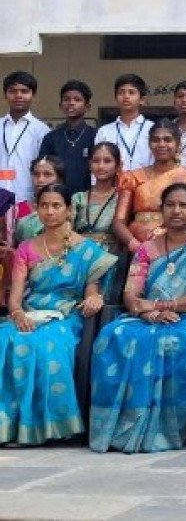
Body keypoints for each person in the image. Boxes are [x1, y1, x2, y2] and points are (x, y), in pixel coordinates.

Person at [89, 183, 186, 453]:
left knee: (171, 342)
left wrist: (166, 305)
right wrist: (148, 312)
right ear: (161, 209)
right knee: (112, 335)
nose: (176, 211)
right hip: (146, 317)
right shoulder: (146, 249)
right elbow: (131, 293)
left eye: (184, 205)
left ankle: (162, 431)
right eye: (170, 205)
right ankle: (118, 430)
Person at [0, 183, 116, 445]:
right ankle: (9, 426)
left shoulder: (87, 249)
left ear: (69, 209)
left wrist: (94, 297)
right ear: (37, 209)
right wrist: (18, 315)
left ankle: (46, 427)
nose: (50, 212)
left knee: (43, 344)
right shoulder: (26, 248)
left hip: (66, 315)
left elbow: (91, 290)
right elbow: (15, 298)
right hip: (30, 313)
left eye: (56, 206)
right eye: (44, 206)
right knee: (5, 338)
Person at [112, 120, 186, 254]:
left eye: (167, 140)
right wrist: (137, 248)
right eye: (156, 140)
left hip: (180, 250)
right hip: (136, 250)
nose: (161, 144)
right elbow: (119, 221)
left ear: (178, 144)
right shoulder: (133, 177)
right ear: (149, 144)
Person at [37, 80, 97, 195]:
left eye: (77, 99)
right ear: (60, 106)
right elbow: (43, 170)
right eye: (66, 99)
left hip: (89, 197)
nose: (71, 103)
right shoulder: (51, 138)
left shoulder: (96, 136)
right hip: (58, 198)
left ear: (87, 107)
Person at [0, 71, 50, 205]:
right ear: (5, 95)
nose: (18, 95)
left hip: (27, 200)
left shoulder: (42, 131)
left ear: (33, 95)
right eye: (13, 91)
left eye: (24, 91)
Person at [94, 73, 154, 172]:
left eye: (131, 92)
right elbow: (97, 163)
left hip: (147, 181)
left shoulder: (152, 129)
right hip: (114, 181)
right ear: (116, 99)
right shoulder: (104, 131)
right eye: (121, 93)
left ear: (142, 100)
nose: (126, 96)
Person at [71, 142, 121, 256]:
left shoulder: (122, 198)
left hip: (112, 257)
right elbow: (68, 231)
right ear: (90, 165)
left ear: (118, 165)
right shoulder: (78, 198)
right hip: (79, 256)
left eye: (107, 161)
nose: (101, 166)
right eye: (96, 161)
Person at [14, 155, 65, 244]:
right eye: (36, 174)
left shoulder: (68, 208)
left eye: (47, 174)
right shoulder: (17, 209)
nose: (40, 179)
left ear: (59, 179)